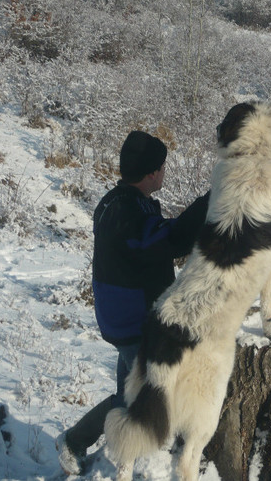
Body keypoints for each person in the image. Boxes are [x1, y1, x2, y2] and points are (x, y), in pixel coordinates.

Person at [56, 130, 209, 475]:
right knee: (136, 400)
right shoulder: (129, 213)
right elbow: (170, 239)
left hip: (122, 316)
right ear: (153, 173)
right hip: (133, 320)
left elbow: (154, 240)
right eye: (164, 167)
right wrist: (209, 202)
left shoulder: (117, 201)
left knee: (130, 392)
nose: (165, 172)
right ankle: (75, 441)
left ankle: (108, 447)